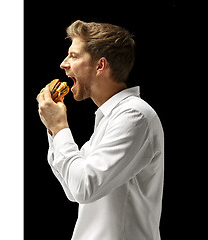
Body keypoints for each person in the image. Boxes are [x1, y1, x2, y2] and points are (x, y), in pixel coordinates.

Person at [37, 20, 164, 240]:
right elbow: (72, 188)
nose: (63, 64)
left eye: (74, 56)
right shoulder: (110, 117)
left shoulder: (134, 116)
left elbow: (83, 188)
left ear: (100, 65)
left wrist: (59, 127)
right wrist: (53, 130)